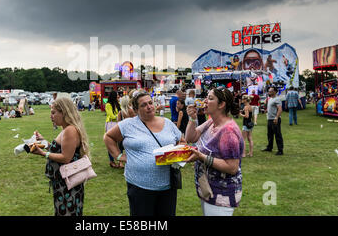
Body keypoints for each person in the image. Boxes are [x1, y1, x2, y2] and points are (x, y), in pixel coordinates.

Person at [104, 91, 186, 216]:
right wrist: (119, 156)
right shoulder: (128, 125)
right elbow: (108, 137)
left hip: (167, 186)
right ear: (136, 109)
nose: (149, 107)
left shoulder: (167, 123)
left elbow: (182, 140)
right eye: (143, 105)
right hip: (139, 187)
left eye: (150, 103)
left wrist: (178, 152)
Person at [185, 87, 244, 216]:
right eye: (207, 97)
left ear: (221, 105)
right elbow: (191, 138)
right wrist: (192, 119)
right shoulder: (212, 121)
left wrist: (201, 157)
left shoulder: (228, 132)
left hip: (222, 194)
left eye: (210, 98)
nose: (205, 101)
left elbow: (232, 167)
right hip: (208, 189)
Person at [31, 97, 90, 216]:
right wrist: (44, 142)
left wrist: (43, 153)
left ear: (64, 112)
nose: (51, 116)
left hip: (67, 185)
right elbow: (60, 149)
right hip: (63, 183)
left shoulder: (70, 130)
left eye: (53, 113)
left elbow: (66, 157)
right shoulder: (66, 129)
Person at [263, 87, 283, 155]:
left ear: (275, 91)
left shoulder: (277, 99)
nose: (269, 92)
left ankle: (280, 150)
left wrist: (276, 117)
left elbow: (280, 109)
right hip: (269, 119)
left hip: (275, 119)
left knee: (277, 134)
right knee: (269, 134)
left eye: (271, 91)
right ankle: (269, 147)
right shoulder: (270, 99)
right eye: (269, 91)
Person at [105, 91, 121, 168]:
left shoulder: (118, 104)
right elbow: (111, 116)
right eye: (117, 95)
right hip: (111, 124)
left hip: (118, 123)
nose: (118, 96)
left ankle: (120, 161)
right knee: (111, 143)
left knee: (119, 144)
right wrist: (119, 116)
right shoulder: (108, 105)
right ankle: (112, 161)